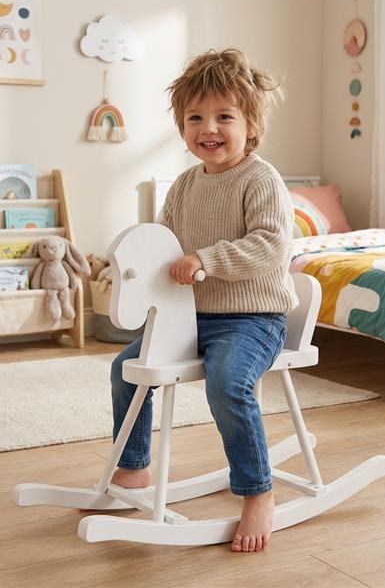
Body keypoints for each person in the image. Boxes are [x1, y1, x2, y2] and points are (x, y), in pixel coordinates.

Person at [110, 48, 297, 552]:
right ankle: (134, 468)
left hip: (252, 319)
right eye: (195, 118)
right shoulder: (184, 186)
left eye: (224, 117)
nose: (208, 128)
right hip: (191, 317)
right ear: (181, 126)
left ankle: (257, 491)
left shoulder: (260, 179)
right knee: (126, 369)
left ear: (250, 126)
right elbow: (164, 244)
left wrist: (205, 259)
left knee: (228, 382)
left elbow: (271, 245)